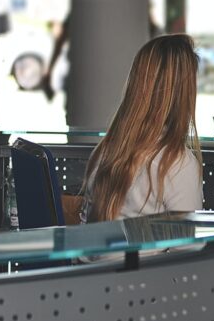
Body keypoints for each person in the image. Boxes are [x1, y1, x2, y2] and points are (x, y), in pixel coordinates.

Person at [80, 34, 203, 222]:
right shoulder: (177, 164)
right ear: (184, 93)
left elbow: (84, 228)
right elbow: (189, 247)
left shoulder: (105, 151)